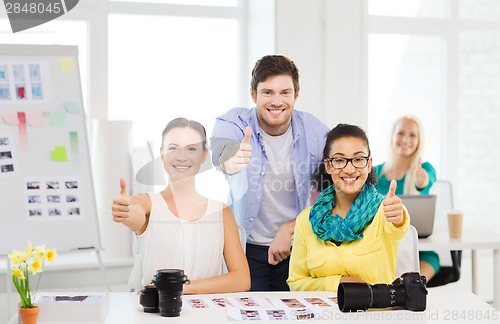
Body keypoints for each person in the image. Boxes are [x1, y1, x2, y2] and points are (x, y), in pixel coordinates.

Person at [210, 55, 330, 291]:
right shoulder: (235, 121)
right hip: (245, 250)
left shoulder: (314, 131)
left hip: (297, 247)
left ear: (296, 95)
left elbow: (334, 190)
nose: (277, 101)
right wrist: (230, 159)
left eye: (285, 92)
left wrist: (290, 227)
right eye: (268, 92)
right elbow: (220, 149)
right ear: (253, 95)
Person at [112, 117, 250, 294]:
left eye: (191, 149)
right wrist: (125, 212)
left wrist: (182, 288)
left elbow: (241, 279)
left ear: (204, 155)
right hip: (153, 316)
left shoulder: (221, 212)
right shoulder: (147, 203)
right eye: (173, 148)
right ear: (161, 154)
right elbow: (135, 215)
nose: (181, 157)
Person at [287, 123, 409, 291]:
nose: (350, 169)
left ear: (369, 163)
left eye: (358, 159)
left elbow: (399, 226)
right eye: (339, 160)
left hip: (374, 315)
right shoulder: (306, 220)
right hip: (324, 315)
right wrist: (337, 283)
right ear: (328, 166)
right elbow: (296, 283)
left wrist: (399, 215)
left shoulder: (384, 211)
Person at [373, 115, 439, 281]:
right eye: (401, 133)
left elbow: (426, 180)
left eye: (412, 135)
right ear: (392, 137)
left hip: (419, 250)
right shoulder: (374, 173)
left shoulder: (425, 169)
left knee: (428, 263)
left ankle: (412, 288)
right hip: (382, 246)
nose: (406, 140)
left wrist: (421, 181)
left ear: (419, 140)